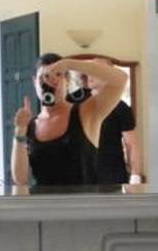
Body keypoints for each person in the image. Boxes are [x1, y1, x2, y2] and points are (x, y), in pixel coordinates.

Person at [10, 53, 127, 188]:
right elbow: (20, 180)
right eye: (44, 77)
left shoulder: (85, 113)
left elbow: (120, 80)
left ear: (67, 81)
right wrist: (20, 130)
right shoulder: (30, 126)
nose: (50, 82)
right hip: (43, 200)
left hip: (83, 200)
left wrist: (69, 64)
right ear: (34, 82)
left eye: (57, 75)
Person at [74, 58, 143, 185]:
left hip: (112, 179)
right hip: (78, 178)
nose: (90, 74)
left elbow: (131, 144)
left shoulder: (121, 108)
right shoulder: (74, 103)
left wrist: (135, 177)